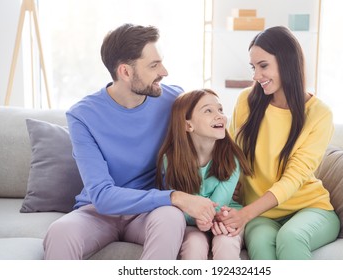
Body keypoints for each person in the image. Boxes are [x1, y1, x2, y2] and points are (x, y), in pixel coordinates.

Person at [43, 23, 217, 260]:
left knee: (171, 218)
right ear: (125, 72)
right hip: (98, 213)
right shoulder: (82, 115)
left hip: (151, 212)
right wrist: (176, 196)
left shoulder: (174, 100)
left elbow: (212, 135)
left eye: (161, 62)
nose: (164, 71)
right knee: (60, 231)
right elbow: (102, 196)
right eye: (154, 65)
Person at [216, 26, 340, 260]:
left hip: (310, 208)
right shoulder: (246, 101)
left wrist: (246, 215)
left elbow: (294, 177)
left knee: (291, 237)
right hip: (262, 216)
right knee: (261, 246)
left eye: (263, 66)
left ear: (287, 62)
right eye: (253, 67)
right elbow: (229, 154)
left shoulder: (319, 114)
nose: (255, 76)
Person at [156, 89, 252, 259]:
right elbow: (180, 204)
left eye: (220, 110)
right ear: (188, 125)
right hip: (192, 222)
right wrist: (200, 218)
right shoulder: (170, 160)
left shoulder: (231, 159)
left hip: (226, 217)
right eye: (208, 110)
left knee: (225, 242)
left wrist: (214, 218)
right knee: (194, 245)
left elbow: (218, 204)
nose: (220, 115)